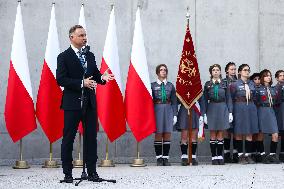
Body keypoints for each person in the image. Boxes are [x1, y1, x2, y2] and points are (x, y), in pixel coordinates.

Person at [56, 25, 114, 183]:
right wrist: (82, 83)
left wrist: (103, 78)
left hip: (89, 104)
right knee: (68, 138)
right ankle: (67, 173)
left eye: (85, 35)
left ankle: (92, 172)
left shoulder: (90, 55)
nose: (84, 38)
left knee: (91, 138)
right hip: (72, 104)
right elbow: (60, 79)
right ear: (72, 38)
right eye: (81, 35)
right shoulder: (63, 56)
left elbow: (94, 75)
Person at [203, 64, 233, 165]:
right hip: (211, 108)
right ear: (211, 72)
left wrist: (230, 112)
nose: (216, 71)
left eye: (217, 70)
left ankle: (220, 155)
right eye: (214, 70)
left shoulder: (224, 84)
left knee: (220, 132)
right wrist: (204, 114)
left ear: (220, 72)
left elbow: (228, 98)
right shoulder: (208, 84)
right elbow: (204, 100)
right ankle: (214, 156)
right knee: (212, 133)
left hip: (222, 107)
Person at [230, 64, 258, 164]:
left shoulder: (252, 84)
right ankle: (240, 155)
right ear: (240, 72)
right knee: (239, 132)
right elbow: (231, 97)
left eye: (248, 70)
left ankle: (248, 155)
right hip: (239, 108)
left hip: (250, 108)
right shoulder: (234, 84)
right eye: (245, 70)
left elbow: (255, 96)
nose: (247, 72)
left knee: (249, 132)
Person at [151, 64, 177, 166]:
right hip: (157, 110)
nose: (163, 71)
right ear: (157, 72)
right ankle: (159, 158)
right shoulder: (152, 85)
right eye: (161, 70)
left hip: (168, 109)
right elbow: (149, 101)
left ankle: (165, 158)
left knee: (167, 133)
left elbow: (174, 101)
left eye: (165, 70)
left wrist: (175, 114)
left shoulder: (170, 85)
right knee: (158, 133)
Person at [255, 69, 280, 164]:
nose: (269, 77)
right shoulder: (258, 89)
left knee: (275, 134)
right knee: (261, 134)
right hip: (261, 111)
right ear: (262, 78)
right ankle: (262, 155)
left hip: (271, 111)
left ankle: (272, 155)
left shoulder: (273, 89)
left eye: (269, 75)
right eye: (266, 75)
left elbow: (276, 101)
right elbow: (255, 102)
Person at [176, 97, 205, 166]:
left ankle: (193, 157)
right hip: (184, 109)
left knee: (193, 136)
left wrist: (202, 114)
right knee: (184, 135)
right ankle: (184, 157)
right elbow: (177, 100)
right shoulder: (182, 86)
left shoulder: (196, 86)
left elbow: (202, 101)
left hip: (194, 109)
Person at [222, 62, 238, 163]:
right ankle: (227, 154)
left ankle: (236, 154)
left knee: (236, 130)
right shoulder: (223, 81)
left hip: (237, 107)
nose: (233, 71)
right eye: (231, 69)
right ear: (227, 70)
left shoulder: (239, 81)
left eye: (234, 69)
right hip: (226, 107)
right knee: (227, 131)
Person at [249, 73, 264, 163]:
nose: (257, 81)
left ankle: (260, 153)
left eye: (259, 79)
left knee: (260, 132)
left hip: (261, 112)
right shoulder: (250, 89)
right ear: (252, 80)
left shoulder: (264, 88)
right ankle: (253, 153)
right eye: (255, 79)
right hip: (253, 112)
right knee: (254, 132)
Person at [274, 70, 284, 162]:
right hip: (279, 112)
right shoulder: (275, 88)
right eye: (280, 75)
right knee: (279, 133)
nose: (282, 77)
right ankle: (279, 154)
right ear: (277, 78)